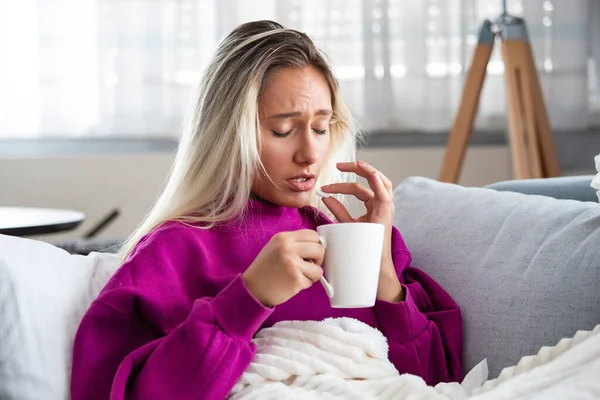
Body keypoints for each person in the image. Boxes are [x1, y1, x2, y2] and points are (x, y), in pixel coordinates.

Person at [71, 20, 463, 400]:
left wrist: (381, 269)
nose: (309, 153)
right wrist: (250, 296)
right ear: (228, 134)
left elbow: (436, 383)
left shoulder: (350, 241)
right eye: (283, 130)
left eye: (321, 128)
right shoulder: (172, 252)